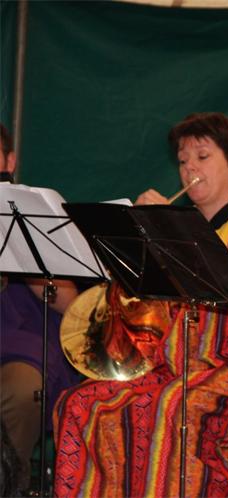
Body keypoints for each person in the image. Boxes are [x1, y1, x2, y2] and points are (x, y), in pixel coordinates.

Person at [53, 112, 228, 497]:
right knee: (79, 402)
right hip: (173, 365)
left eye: (202, 156)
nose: (189, 168)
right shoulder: (186, 219)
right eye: (183, 161)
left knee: (171, 407)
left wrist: (168, 228)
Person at [0, 123, 80, 491]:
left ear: (10, 160)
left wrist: (30, 265)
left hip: (21, 347)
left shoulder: (31, 213)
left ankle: (9, 485)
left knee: (22, 389)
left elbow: (72, 305)